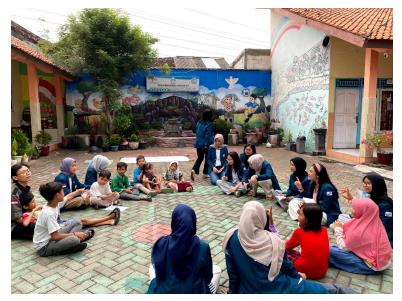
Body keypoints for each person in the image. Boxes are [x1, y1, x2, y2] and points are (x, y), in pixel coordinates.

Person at [222, 201, 354, 294]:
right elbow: (287, 266)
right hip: (280, 288)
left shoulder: (230, 238)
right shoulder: (274, 241)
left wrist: (232, 293)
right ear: (261, 217)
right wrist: (298, 279)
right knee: (334, 290)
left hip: (248, 291)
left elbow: (233, 274)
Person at [147, 204, 221, 294]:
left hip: (165, 291)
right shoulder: (203, 247)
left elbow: (158, 269)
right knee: (217, 270)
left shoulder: (161, 244)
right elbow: (208, 276)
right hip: (195, 291)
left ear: (174, 222)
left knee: (152, 269)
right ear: (193, 223)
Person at [329, 198, 392, 275]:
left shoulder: (359, 231)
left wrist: (337, 229)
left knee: (330, 250)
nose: (352, 210)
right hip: (383, 261)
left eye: (355, 209)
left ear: (363, 211)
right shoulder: (373, 221)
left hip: (372, 266)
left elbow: (343, 247)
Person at [33, 182, 94, 257]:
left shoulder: (53, 203)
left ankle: (73, 241)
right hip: (44, 247)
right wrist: (75, 234)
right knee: (74, 239)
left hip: (51, 237)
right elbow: (55, 237)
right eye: (62, 191)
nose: (63, 193)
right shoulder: (49, 214)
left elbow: (68, 197)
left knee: (77, 222)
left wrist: (78, 192)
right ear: (57, 195)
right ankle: (71, 245)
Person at [340, 172, 393, 247]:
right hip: (367, 224)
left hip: (380, 233)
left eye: (368, 183)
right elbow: (362, 210)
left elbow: (383, 225)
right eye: (364, 183)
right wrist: (351, 198)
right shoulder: (372, 197)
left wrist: (361, 224)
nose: (365, 185)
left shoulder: (385, 204)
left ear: (376, 185)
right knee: (342, 217)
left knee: (349, 229)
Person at [285, 203, 329, 279]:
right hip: (322, 272)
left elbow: (287, 246)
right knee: (298, 253)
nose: (298, 216)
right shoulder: (324, 230)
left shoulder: (299, 232)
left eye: (300, 215)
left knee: (284, 254)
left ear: (308, 219)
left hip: (303, 271)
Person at [11, 163, 35, 239]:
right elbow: (18, 219)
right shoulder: (13, 194)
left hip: (24, 217)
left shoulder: (25, 187)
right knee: (38, 227)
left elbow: (34, 204)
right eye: (23, 172)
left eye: (28, 170)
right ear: (15, 177)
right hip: (13, 225)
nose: (28, 173)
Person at [191, 110, 214, 181]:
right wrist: (207, 145)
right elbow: (208, 136)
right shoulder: (209, 124)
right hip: (206, 145)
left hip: (198, 143)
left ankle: (194, 170)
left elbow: (196, 132)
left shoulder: (199, 123)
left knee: (200, 158)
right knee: (208, 159)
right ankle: (205, 173)